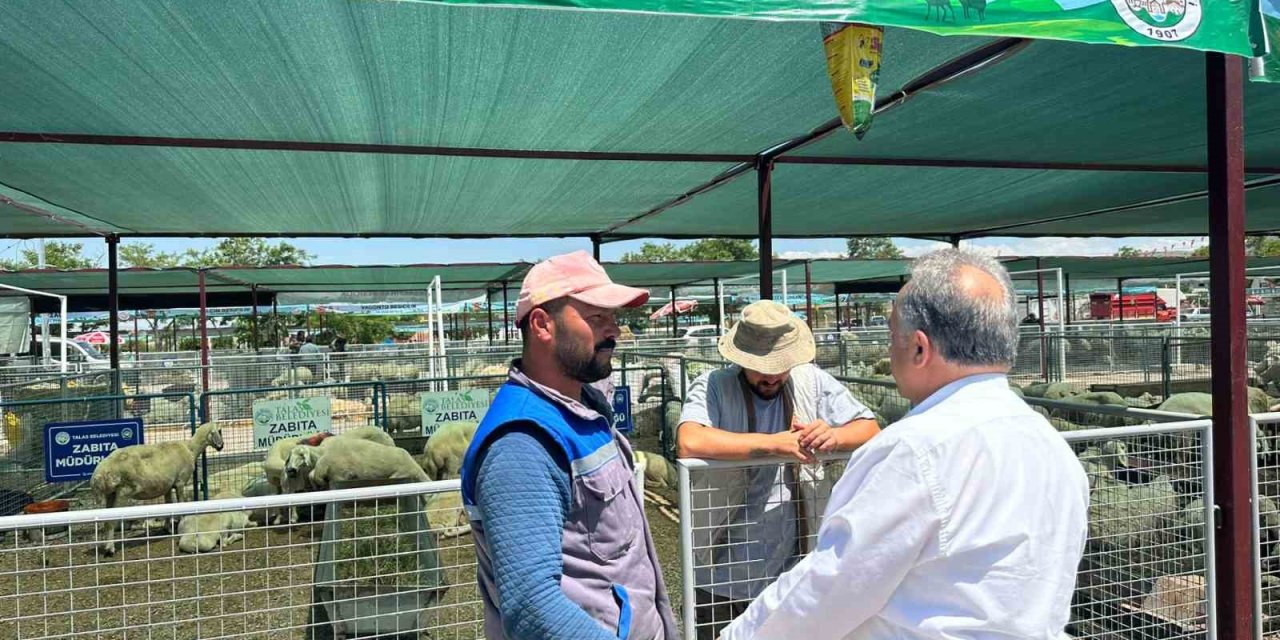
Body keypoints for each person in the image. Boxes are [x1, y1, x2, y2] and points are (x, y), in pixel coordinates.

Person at [719, 249, 1090, 640]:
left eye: (891, 337)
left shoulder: (916, 449)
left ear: (918, 348)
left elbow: (834, 586)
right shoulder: (1051, 447)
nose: (888, 350)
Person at [459, 251, 678, 640]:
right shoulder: (523, 444)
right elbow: (533, 607)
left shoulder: (585, 409)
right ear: (543, 325)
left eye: (614, 318)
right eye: (597, 318)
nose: (614, 331)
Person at [676, 300, 880, 640]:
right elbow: (690, 440)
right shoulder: (714, 385)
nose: (771, 375)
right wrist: (772, 444)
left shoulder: (811, 382)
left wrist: (832, 435)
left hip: (794, 570)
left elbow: (869, 428)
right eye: (760, 366)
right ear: (739, 358)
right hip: (720, 571)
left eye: (780, 365)